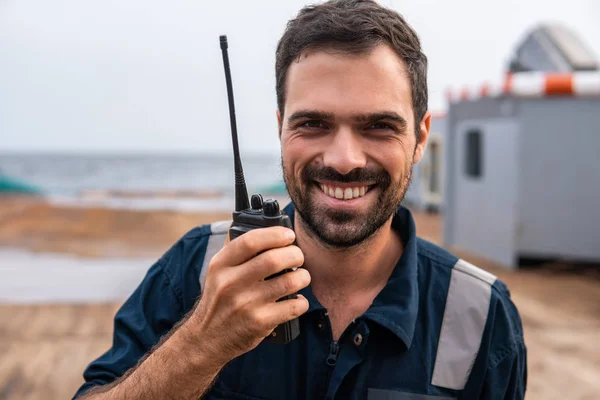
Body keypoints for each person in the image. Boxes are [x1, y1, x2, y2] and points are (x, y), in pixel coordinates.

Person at [74, 0, 527, 399]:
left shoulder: (481, 315)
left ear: (420, 137)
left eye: (378, 126)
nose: (345, 160)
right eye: (313, 124)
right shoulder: (196, 268)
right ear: (280, 130)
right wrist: (199, 346)